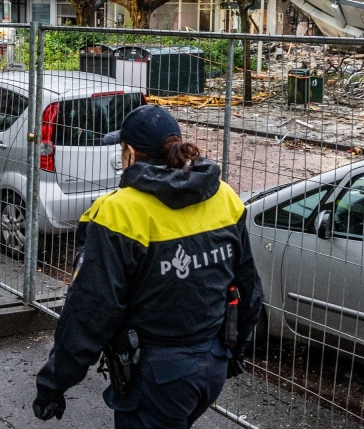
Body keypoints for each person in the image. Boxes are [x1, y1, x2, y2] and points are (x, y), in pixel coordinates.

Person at [33, 105, 264, 428]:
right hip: (212, 365)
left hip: (156, 375)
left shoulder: (119, 213)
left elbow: (90, 310)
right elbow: (250, 287)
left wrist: (54, 383)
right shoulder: (224, 196)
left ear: (129, 153)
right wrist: (235, 350)